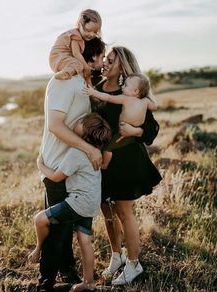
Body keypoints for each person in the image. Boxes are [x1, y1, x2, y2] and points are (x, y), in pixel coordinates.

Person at [37, 37, 105, 292]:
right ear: (92, 56)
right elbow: (55, 126)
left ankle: (66, 269)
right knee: (56, 227)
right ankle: (45, 281)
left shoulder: (82, 83)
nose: (102, 62)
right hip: (58, 164)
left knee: (63, 227)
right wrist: (89, 149)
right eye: (101, 57)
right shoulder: (63, 82)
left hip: (72, 165)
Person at [91, 46, 162, 285]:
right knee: (107, 212)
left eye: (111, 60)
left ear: (122, 67)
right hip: (101, 160)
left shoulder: (133, 95)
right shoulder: (97, 90)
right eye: (105, 59)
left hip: (127, 159)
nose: (105, 63)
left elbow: (152, 128)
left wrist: (136, 130)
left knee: (123, 211)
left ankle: (134, 263)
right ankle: (116, 256)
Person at [29, 113, 111, 292]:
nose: (78, 122)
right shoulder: (95, 150)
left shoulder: (77, 152)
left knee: (39, 220)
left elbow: (57, 177)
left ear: (85, 131)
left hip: (78, 202)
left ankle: (37, 249)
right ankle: (88, 282)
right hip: (91, 202)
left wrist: (40, 165)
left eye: (81, 122)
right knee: (84, 240)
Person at [84, 72, 157, 168]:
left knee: (108, 148)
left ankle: (105, 164)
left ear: (135, 91)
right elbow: (155, 107)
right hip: (133, 135)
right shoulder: (146, 101)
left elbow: (109, 98)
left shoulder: (125, 99)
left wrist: (94, 93)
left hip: (123, 132)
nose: (122, 87)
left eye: (125, 85)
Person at [49, 9, 102, 82]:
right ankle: (66, 74)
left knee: (79, 67)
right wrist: (86, 67)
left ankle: (68, 73)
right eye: (88, 30)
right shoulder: (75, 36)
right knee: (79, 65)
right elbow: (76, 53)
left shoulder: (78, 36)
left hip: (60, 58)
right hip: (59, 57)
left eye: (95, 32)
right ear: (79, 25)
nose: (91, 34)